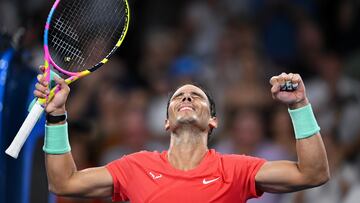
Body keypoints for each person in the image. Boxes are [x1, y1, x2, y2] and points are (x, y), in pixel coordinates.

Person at [34, 71, 329, 203]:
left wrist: (300, 106)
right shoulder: (135, 167)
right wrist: (57, 114)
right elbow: (63, 183)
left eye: (196, 96)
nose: (187, 96)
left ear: (213, 120)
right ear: (166, 122)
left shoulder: (237, 170)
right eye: (179, 96)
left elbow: (313, 173)